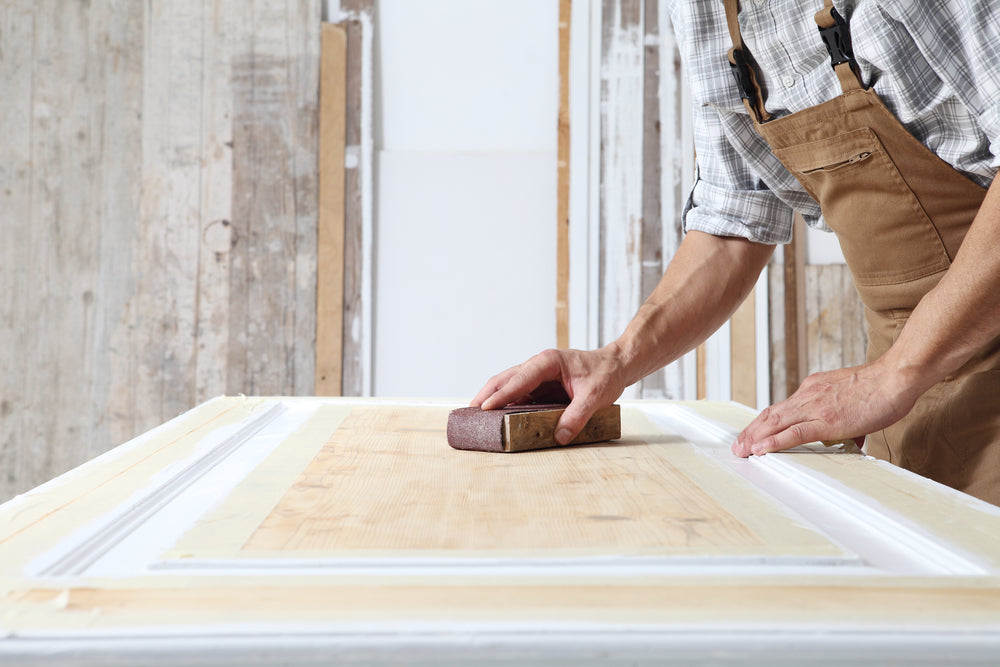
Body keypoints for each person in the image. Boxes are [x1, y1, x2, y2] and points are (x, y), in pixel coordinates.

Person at [473, 0, 1000, 506]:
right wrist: (616, 360)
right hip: (902, 392)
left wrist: (897, 374)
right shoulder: (702, 10)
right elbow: (734, 217)